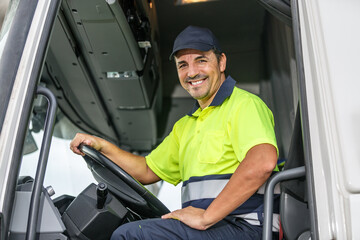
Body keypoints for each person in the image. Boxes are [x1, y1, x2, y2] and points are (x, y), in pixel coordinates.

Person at [70, 25, 279, 239]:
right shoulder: (185, 126)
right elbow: (147, 170)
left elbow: (262, 162)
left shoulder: (244, 105)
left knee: (131, 236)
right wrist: (102, 146)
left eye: (201, 60)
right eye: (182, 65)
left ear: (222, 62)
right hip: (215, 228)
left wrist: (206, 217)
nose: (191, 72)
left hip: (249, 226)